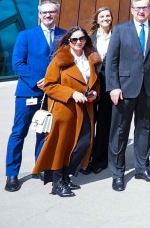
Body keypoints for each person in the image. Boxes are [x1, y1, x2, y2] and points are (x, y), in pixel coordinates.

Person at [107, 0, 150, 192]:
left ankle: (141, 168)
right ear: (132, 10)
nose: (142, 11)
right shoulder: (120, 29)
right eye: (138, 8)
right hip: (124, 89)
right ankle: (118, 174)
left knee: (145, 130)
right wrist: (113, 86)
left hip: (149, 89)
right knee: (120, 132)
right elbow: (112, 61)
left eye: (145, 7)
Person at [5, 0, 66, 192]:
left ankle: (40, 167)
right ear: (39, 14)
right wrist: (38, 80)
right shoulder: (25, 35)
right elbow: (18, 63)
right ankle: (12, 174)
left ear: (57, 13)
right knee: (19, 132)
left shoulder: (64, 35)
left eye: (52, 12)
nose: (48, 15)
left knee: (45, 132)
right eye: (44, 12)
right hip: (29, 92)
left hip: (52, 94)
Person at [32, 27, 101, 197]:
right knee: (61, 145)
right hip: (65, 109)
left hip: (86, 107)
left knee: (83, 144)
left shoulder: (90, 58)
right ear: (68, 40)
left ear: (86, 39)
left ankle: (64, 175)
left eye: (82, 39)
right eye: (74, 39)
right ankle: (57, 182)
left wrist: (95, 92)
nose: (79, 42)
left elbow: (95, 83)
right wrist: (71, 93)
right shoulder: (60, 58)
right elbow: (49, 85)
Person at [81, 6, 113, 175]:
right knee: (89, 123)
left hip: (109, 86)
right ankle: (86, 159)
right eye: (102, 16)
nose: (106, 18)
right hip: (92, 85)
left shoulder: (117, 36)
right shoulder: (90, 39)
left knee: (104, 124)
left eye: (108, 16)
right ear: (97, 19)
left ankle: (100, 160)